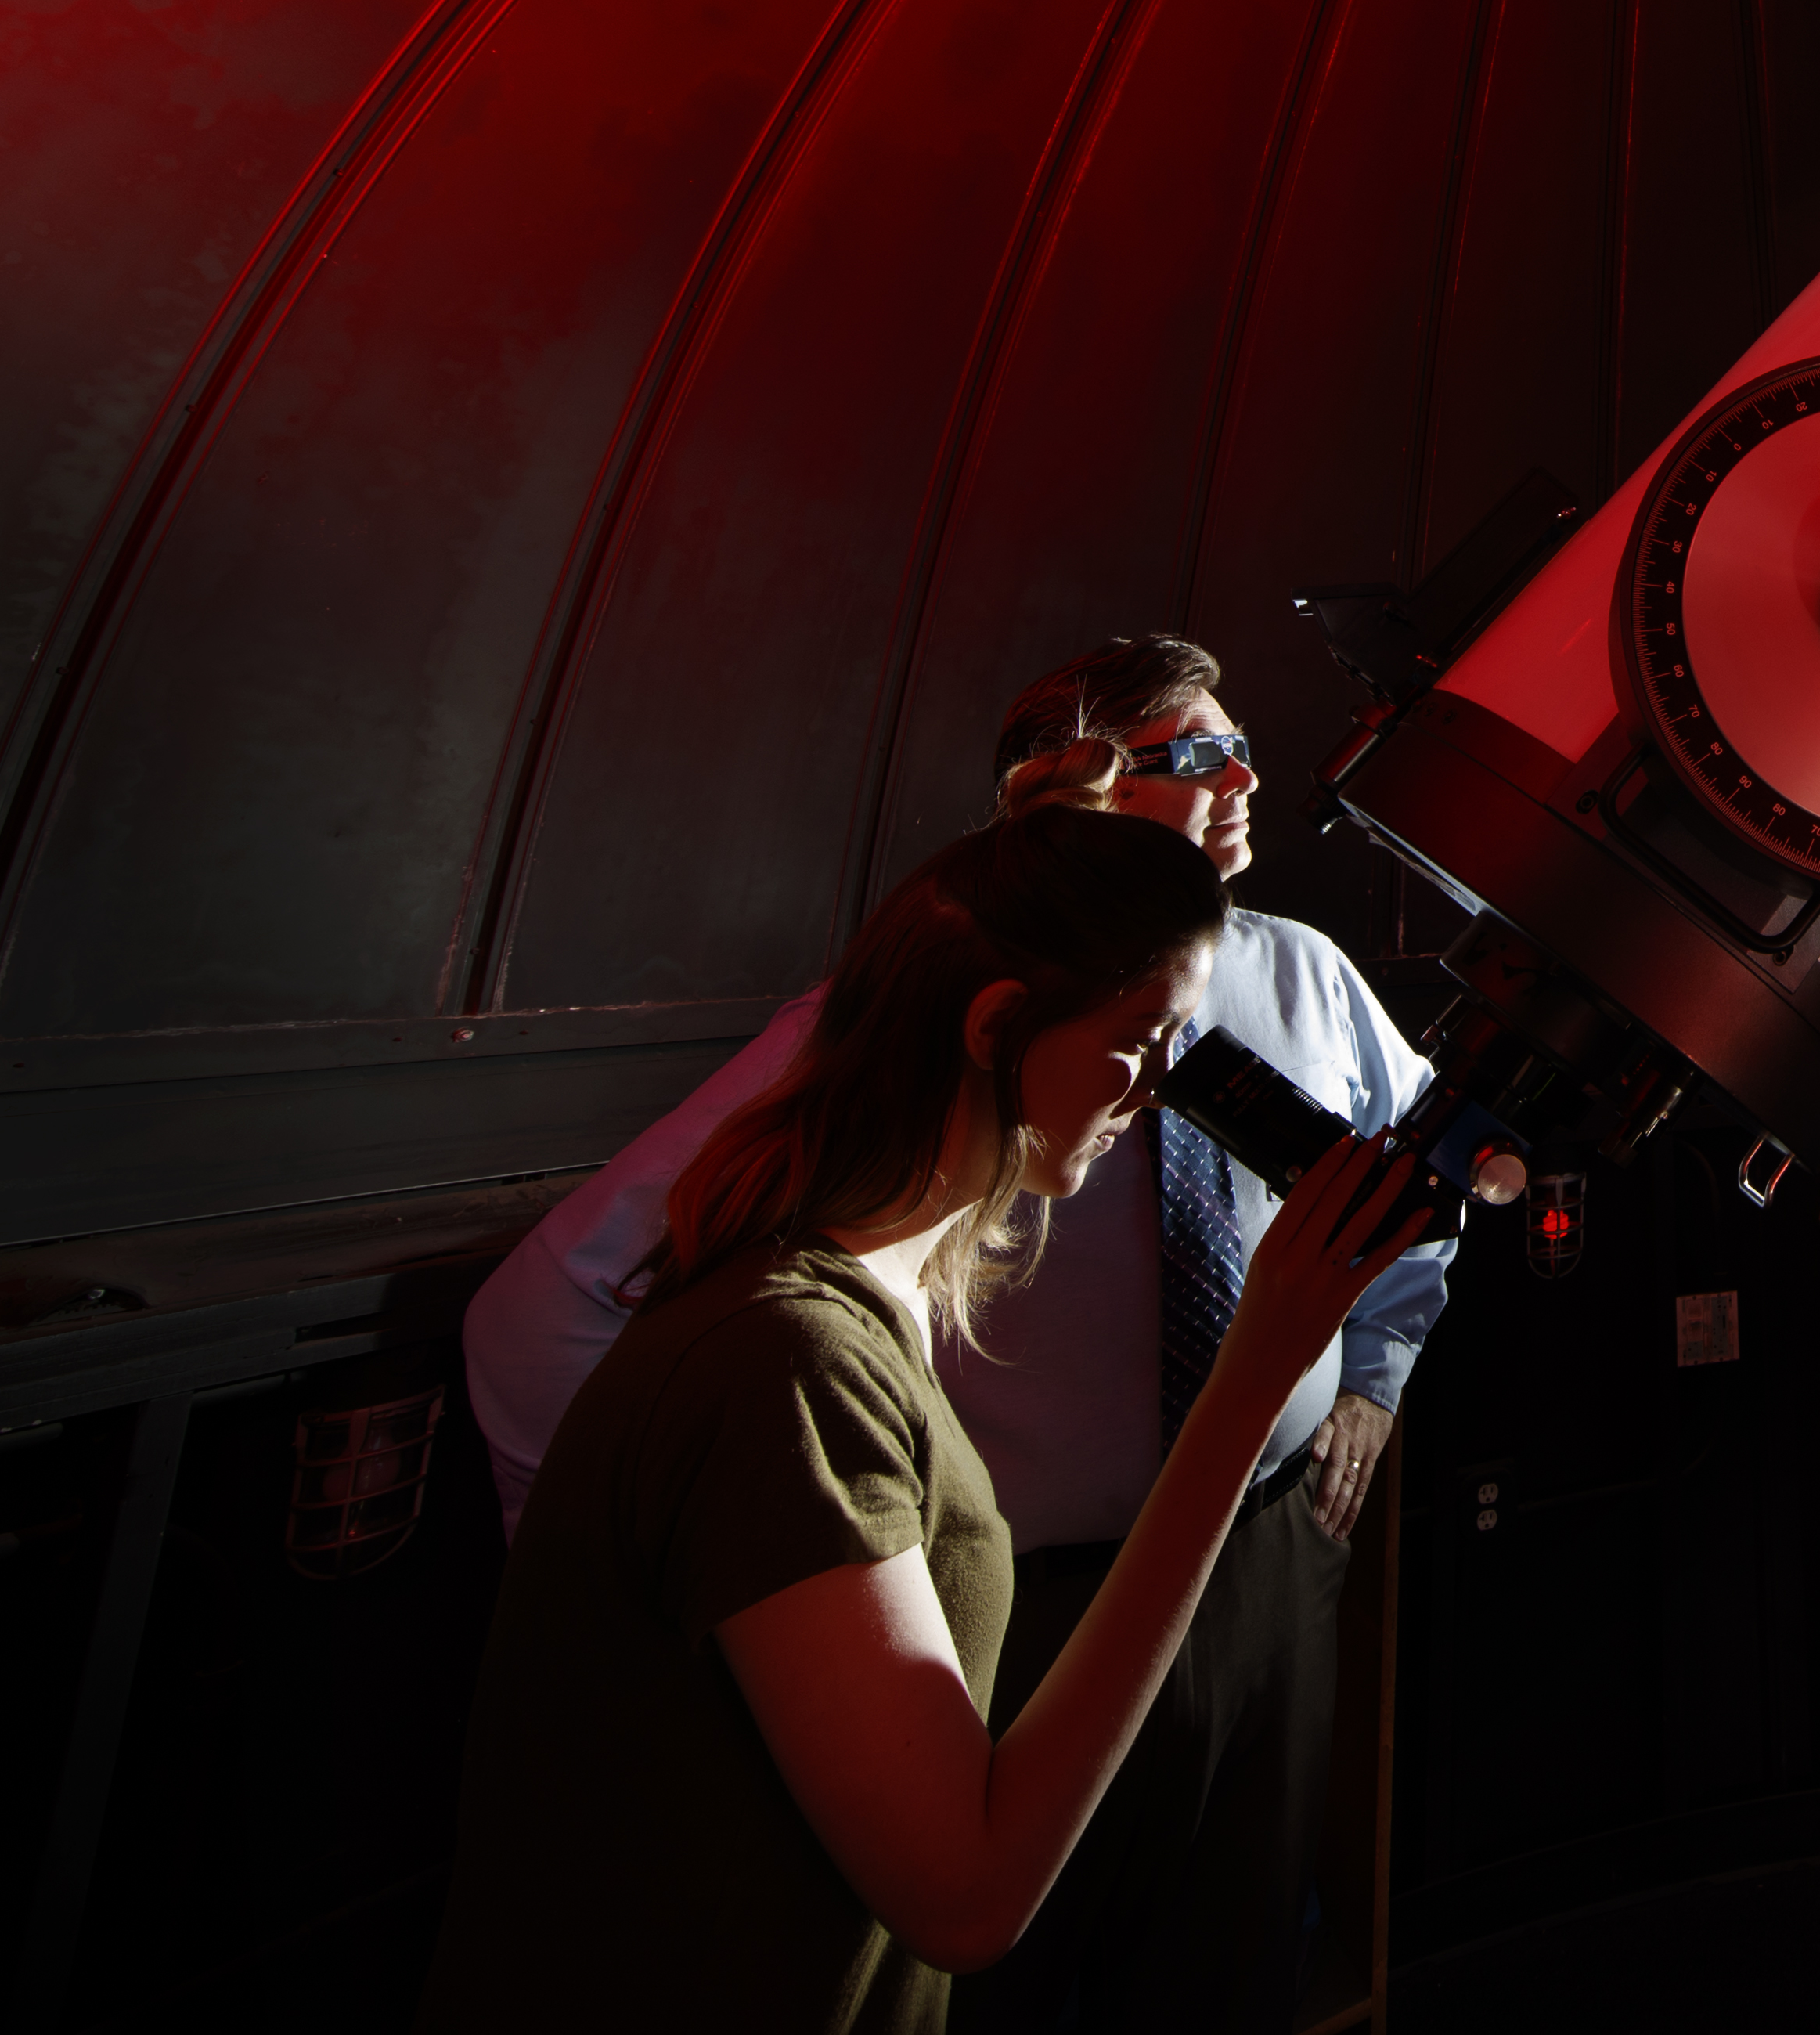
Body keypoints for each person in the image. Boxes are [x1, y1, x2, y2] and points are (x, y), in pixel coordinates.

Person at [462, 635, 1452, 2028]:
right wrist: (653, 1602)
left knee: (1231, 1954)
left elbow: (1417, 1191)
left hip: (1268, 1552)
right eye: (1191, 754)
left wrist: (1369, 1383)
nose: (1242, 775)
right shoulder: (820, 1295)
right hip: (1014, 1597)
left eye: (1241, 748)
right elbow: (555, 1313)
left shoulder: (1303, 975)